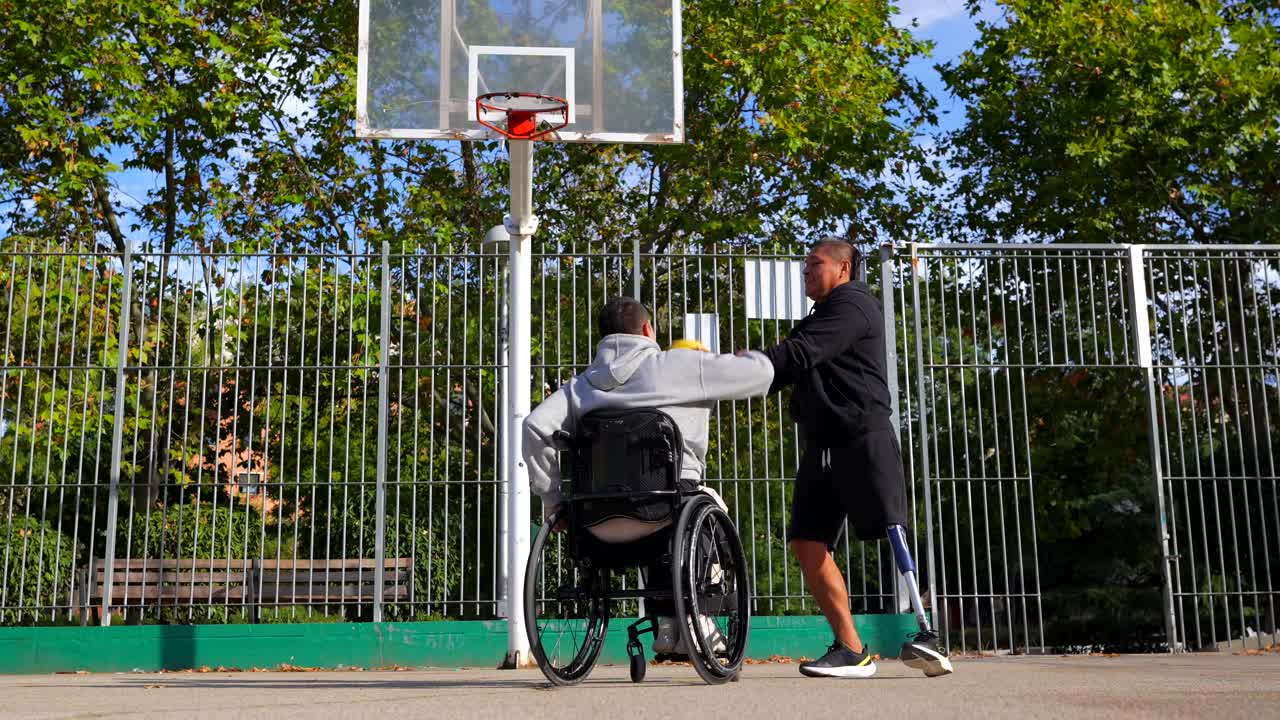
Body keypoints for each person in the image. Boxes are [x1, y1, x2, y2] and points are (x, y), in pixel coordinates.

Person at [523, 296, 773, 654]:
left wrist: (553, 499)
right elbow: (762, 374)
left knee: (663, 508)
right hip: (665, 509)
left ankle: (667, 626)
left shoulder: (580, 387)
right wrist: (748, 358)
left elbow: (534, 426)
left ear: (603, 338)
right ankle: (701, 618)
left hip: (597, 520)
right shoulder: (680, 364)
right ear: (647, 330)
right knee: (698, 504)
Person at [757, 236, 953, 679]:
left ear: (843, 269)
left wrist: (749, 364)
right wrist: (731, 374)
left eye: (815, 263)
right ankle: (851, 649)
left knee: (892, 528)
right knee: (808, 542)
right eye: (805, 265)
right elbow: (788, 365)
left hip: (862, 436)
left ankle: (929, 632)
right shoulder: (819, 317)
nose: (806, 271)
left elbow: (799, 354)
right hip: (821, 444)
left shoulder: (853, 305)